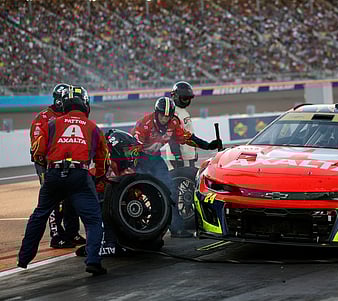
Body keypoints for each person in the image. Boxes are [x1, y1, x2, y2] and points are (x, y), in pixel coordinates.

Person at [19, 85, 109, 276]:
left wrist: (50, 165)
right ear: (85, 104)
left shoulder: (51, 124)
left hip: (53, 173)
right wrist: (95, 177)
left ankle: (24, 258)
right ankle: (93, 261)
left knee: (39, 214)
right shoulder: (93, 127)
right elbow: (103, 160)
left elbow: (37, 151)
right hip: (79, 174)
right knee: (93, 220)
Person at [131, 96, 222, 238]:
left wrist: (207, 145)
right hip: (139, 159)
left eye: (168, 116)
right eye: (162, 115)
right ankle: (136, 228)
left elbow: (187, 138)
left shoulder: (174, 123)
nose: (164, 119)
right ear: (156, 113)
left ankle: (177, 229)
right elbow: (132, 147)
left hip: (155, 158)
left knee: (170, 191)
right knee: (135, 192)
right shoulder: (144, 123)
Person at [29, 83, 85, 249]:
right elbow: (37, 147)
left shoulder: (70, 117)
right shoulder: (43, 118)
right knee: (54, 198)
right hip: (46, 164)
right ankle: (56, 235)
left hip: (66, 164)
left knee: (71, 197)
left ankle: (72, 232)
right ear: (61, 100)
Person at [166, 81, 197, 168]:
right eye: (184, 98)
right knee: (184, 179)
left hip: (187, 155)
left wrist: (194, 151)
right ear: (176, 97)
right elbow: (171, 137)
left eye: (188, 98)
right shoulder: (173, 113)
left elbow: (189, 132)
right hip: (181, 156)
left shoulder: (182, 111)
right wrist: (178, 157)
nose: (187, 101)